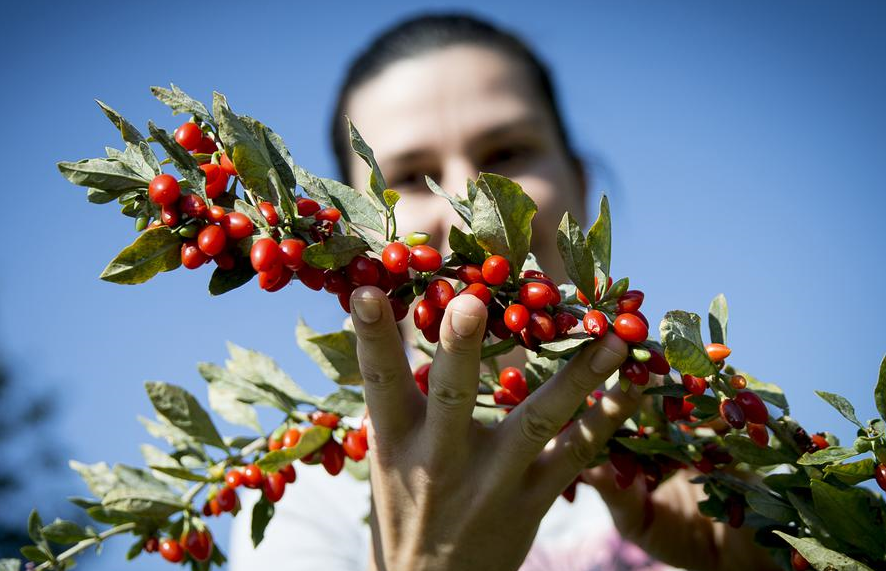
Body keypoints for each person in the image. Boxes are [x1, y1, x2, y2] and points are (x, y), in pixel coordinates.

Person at [230, 13, 779, 571]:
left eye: (507, 153)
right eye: (410, 176)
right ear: (349, 228)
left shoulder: (720, 456)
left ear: (582, 184)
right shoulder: (310, 508)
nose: (466, 200)